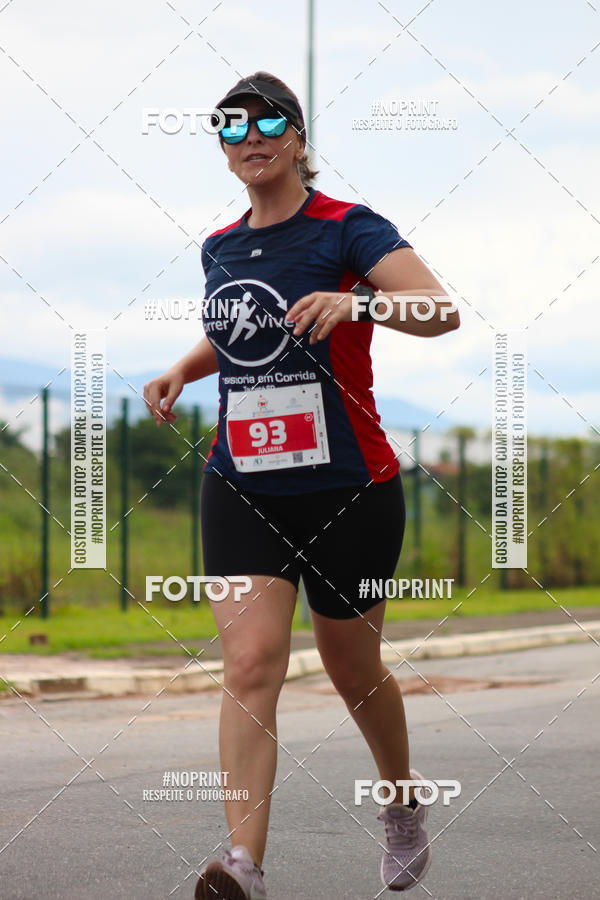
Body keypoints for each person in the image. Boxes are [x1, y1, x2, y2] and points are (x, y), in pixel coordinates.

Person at [143, 71, 460, 899]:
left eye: (266, 121)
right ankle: (242, 866)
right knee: (249, 665)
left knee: (353, 667)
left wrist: (359, 307)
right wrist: (185, 362)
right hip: (242, 479)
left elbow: (440, 308)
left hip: (348, 486)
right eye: (230, 127)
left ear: (297, 134)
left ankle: (398, 801)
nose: (249, 137)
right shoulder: (219, 247)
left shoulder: (348, 228)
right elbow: (250, 331)